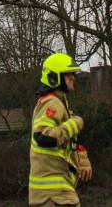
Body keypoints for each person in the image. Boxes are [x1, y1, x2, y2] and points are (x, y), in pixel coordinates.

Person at [29, 53, 93, 207]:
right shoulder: (51, 103)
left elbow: (65, 142)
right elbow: (44, 137)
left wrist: (81, 157)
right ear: (54, 77)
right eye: (68, 74)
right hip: (53, 195)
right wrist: (75, 124)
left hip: (58, 192)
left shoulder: (59, 102)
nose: (73, 77)